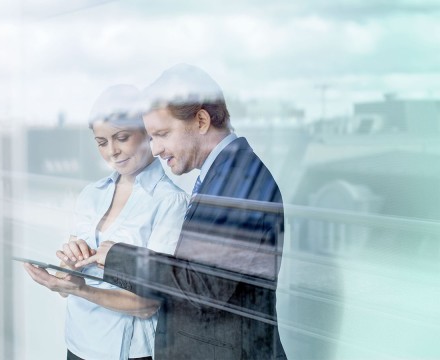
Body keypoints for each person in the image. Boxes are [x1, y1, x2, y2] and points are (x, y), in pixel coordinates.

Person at [76, 64, 287, 359]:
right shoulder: (223, 176)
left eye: (162, 134)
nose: (158, 149)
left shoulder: (240, 179)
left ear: (201, 120)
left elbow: (203, 286)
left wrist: (117, 256)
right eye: (152, 137)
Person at [24, 84, 188, 360]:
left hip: (126, 353)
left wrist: (81, 289)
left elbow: (149, 303)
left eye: (121, 137)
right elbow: (69, 283)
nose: (112, 151)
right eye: (101, 142)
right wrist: (67, 268)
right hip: (77, 343)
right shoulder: (91, 195)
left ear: (147, 131)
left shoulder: (170, 202)